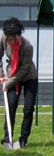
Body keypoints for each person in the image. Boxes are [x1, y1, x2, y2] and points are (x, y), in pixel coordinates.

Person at [0, 17, 38, 148]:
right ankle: (8, 138)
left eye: (14, 39)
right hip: (11, 74)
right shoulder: (3, 38)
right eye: (9, 38)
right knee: (11, 106)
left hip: (28, 76)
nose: (11, 41)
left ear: (19, 34)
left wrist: (8, 82)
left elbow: (24, 69)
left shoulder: (27, 46)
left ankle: (23, 139)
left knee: (28, 109)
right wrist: (1, 76)